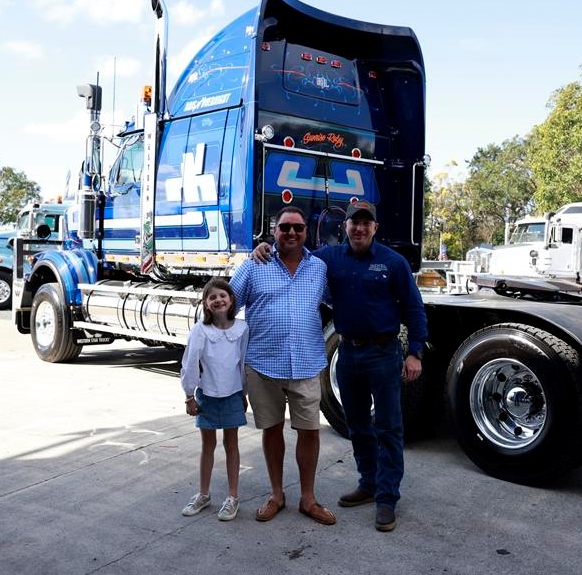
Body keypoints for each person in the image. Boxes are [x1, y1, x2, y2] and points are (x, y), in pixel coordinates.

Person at [252, 200, 428, 532]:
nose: (359, 228)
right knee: (357, 424)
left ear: (375, 228)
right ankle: (368, 483)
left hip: (383, 353)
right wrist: (263, 247)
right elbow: (292, 254)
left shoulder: (393, 262)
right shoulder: (327, 259)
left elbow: (414, 307)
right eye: (354, 223)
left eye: (366, 223)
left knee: (389, 427)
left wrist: (415, 351)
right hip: (347, 354)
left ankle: (387, 497)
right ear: (344, 227)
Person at [229, 206, 337, 526]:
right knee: (271, 431)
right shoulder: (255, 265)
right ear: (273, 231)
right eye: (285, 227)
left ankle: (308, 499)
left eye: (298, 228)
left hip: (306, 364)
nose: (291, 233)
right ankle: (277, 495)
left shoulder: (318, 268)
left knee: (310, 432)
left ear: (306, 232)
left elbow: (338, 300)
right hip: (263, 366)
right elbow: (226, 303)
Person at [179, 278, 249, 522]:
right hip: (206, 395)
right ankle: (204, 494)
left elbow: (242, 363)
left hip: (232, 395)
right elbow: (189, 363)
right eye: (212, 297)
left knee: (232, 445)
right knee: (207, 446)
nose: (218, 300)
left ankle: (232, 497)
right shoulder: (200, 330)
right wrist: (189, 395)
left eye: (223, 295)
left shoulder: (241, 329)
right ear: (206, 304)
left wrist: (244, 394)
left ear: (231, 300)